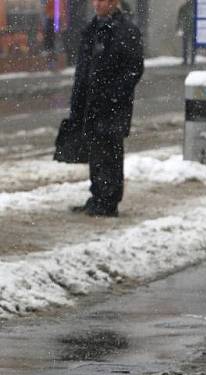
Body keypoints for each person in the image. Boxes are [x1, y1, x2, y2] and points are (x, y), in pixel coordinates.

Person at [69, 0, 144, 218]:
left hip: (112, 106)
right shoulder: (93, 28)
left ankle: (109, 201)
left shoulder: (125, 30)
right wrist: (79, 100)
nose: (96, 4)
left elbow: (134, 69)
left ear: (113, 2)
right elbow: (83, 67)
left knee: (110, 152)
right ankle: (97, 196)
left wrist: (113, 95)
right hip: (91, 103)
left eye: (101, 0)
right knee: (95, 151)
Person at [177, 0, 196, 66]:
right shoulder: (185, 7)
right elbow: (179, 18)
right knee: (188, 45)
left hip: (190, 28)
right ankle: (189, 60)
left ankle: (190, 60)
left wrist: (178, 27)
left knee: (189, 45)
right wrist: (179, 27)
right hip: (189, 29)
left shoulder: (187, 7)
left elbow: (179, 19)